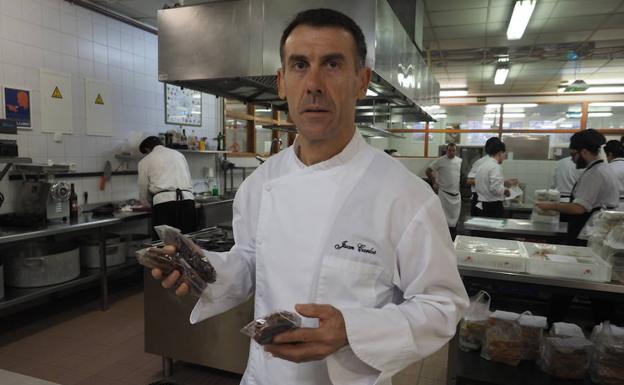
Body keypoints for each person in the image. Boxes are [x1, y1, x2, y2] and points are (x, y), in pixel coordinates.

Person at [150, 9, 468, 385]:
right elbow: (253, 261)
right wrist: (205, 269)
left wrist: (353, 329)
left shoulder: (406, 197)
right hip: (264, 376)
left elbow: (442, 305)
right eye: (300, 65)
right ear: (283, 82)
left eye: (332, 64)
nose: (313, 83)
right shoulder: (261, 182)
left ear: (361, 81)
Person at [537, 129, 619, 246]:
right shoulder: (602, 168)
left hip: (589, 229)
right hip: (597, 228)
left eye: (573, 154)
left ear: (584, 152)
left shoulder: (594, 173)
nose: (572, 159)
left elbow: (578, 208)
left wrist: (550, 205)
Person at [138, 136, 196, 236]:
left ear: (147, 149)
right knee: (187, 241)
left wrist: (146, 203)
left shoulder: (145, 161)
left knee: (164, 243)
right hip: (187, 201)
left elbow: (143, 186)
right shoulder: (179, 155)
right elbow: (189, 179)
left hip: (164, 205)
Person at [426, 143, 462, 234]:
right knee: (443, 217)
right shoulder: (440, 161)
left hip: (456, 194)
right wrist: (434, 182)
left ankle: (453, 234)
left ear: (456, 151)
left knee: (454, 217)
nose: (451, 152)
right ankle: (442, 233)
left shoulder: (459, 161)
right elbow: (428, 171)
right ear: (446, 151)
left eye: (453, 150)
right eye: (449, 150)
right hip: (444, 193)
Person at [466, 137, 502, 216]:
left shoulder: (496, 162)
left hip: (490, 199)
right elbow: (469, 181)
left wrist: (504, 182)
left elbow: (492, 181)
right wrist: (486, 181)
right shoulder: (481, 162)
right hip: (480, 198)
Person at [474, 140, 510, 218]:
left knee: (483, 229)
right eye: (504, 154)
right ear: (500, 153)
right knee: (493, 229)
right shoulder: (495, 167)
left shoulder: (482, 166)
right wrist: (505, 191)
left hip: (482, 205)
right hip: (493, 207)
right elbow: (495, 188)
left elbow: (483, 183)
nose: (504, 157)